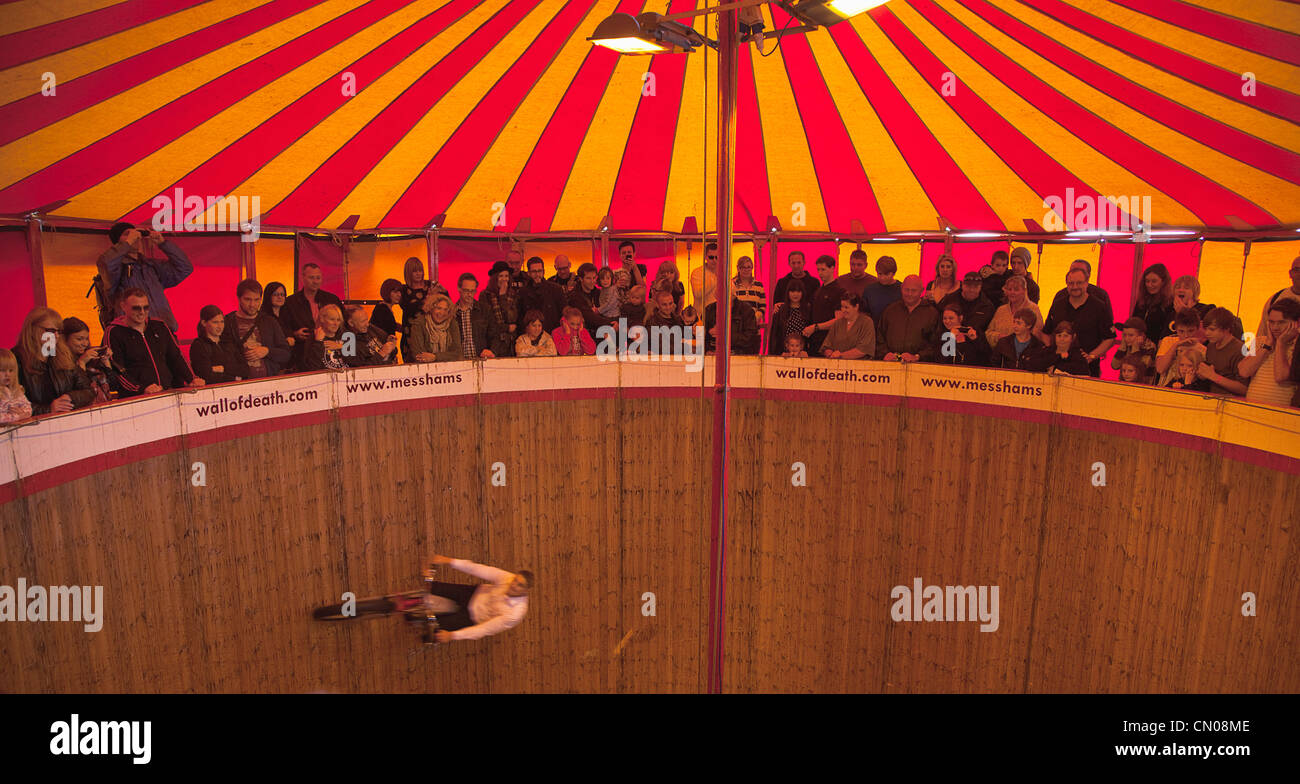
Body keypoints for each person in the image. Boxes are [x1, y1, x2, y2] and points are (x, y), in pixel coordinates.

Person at [96, 222, 193, 333]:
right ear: (117, 243)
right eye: (127, 234)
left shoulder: (150, 266)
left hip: (164, 330)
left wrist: (162, 243)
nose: (135, 236)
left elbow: (185, 268)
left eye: (136, 233)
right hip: (134, 334)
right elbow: (104, 263)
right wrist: (128, 243)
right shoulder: (115, 270)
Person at [107, 288, 203, 395]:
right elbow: (116, 370)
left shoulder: (159, 326)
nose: (142, 312)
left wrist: (192, 378)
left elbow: (176, 357)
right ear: (123, 306)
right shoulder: (114, 332)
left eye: (146, 308)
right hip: (136, 399)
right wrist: (141, 389)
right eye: (136, 308)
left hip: (167, 391)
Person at [423, 555, 531, 643]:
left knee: (433, 632)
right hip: (472, 594)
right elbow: (479, 569)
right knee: (431, 586)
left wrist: (452, 635)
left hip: (471, 617)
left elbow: (485, 629)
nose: (514, 585)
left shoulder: (515, 614)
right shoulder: (508, 578)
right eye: (515, 580)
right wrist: (449, 561)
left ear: (526, 590)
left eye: (520, 585)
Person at [12, 307, 96, 415]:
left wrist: (71, 398)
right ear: (32, 330)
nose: (56, 336)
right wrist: (48, 409)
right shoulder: (15, 359)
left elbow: (89, 391)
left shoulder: (64, 356)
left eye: (59, 331)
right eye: (51, 331)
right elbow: (9, 405)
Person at [1043, 267, 1115, 376]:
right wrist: (1053, 352)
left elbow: (1110, 338)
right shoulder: (1057, 305)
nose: (1075, 287)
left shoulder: (1099, 307)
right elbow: (1045, 333)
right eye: (1071, 283)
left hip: (1089, 369)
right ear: (1066, 284)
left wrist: (1092, 356)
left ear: (1087, 283)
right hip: (1058, 368)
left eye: (1079, 283)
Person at [223, 279, 292, 377]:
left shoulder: (269, 321)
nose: (252, 305)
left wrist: (267, 351)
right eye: (247, 299)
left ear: (261, 299)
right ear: (239, 298)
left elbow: (286, 354)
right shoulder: (227, 322)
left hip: (268, 380)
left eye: (256, 300)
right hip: (239, 382)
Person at [1240, 298, 1299, 407]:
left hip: (1280, 414)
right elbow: (1244, 372)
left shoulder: (1297, 347)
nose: (1275, 328)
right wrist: (1267, 345)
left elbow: (1281, 376)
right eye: (1271, 322)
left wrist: (1281, 343)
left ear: (1296, 323)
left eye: (1281, 323)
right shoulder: (1259, 342)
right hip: (1250, 409)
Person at [284, 263, 344, 369]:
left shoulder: (332, 299)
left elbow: (344, 324)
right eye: (311, 277)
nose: (315, 281)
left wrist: (342, 345)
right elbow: (283, 326)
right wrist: (294, 334)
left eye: (318, 278)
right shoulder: (290, 302)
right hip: (302, 351)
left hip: (331, 349)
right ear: (302, 278)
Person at [877, 275, 940, 361]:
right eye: (906, 290)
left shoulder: (932, 314)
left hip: (919, 367)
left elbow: (935, 344)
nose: (909, 294)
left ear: (922, 291)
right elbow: (879, 336)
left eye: (914, 291)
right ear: (901, 288)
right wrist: (885, 353)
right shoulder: (890, 310)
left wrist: (918, 357)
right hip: (890, 365)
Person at [62, 316, 117, 403]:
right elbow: (78, 390)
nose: (85, 343)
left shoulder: (92, 357)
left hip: (104, 405)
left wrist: (106, 362)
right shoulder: (61, 362)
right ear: (65, 339)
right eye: (79, 339)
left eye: (87, 339)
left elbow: (114, 385)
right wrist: (82, 362)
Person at [938, 271, 997, 347]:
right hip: (949, 343)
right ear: (962, 285)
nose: (971, 290)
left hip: (975, 346)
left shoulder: (987, 306)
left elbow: (988, 331)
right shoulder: (949, 300)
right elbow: (939, 325)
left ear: (980, 287)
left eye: (975, 287)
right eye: (968, 286)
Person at [1198, 307, 1247, 396]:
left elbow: (1244, 388)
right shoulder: (1211, 346)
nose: (1207, 333)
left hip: (1232, 402)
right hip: (1211, 398)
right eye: (1206, 329)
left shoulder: (1239, 350)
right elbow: (1210, 374)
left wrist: (1214, 376)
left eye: (1212, 329)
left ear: (1226, 329)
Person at [189, 305, 242, 384]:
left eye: (222, 322)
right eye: (215, 322)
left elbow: (244, 369)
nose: (220, 326)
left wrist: (223, 368)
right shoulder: (198, 345)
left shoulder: (228, 342)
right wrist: (234, 377)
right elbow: (206, 375)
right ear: (204, 323)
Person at [985, 275, 1042, 348]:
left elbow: (1038, 335)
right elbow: (988, 332)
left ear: (1024, 291)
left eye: (1016, 289)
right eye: (1009, 289)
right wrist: (998, 337)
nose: (1012, 292)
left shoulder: (1033, 309)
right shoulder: (1001, 310)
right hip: (1001, 353)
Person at [803, 255, 844, 355]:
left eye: (823, 269)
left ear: (832, 268)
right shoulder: (818, 291)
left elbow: (839, 320)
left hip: (829, 341)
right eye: (818, 270)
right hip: (814, 340)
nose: (820, 273)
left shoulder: (839, 291)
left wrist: (816, 327)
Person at [1255, 255, 1300, 341]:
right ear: (1290, 274)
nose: (1299, 274)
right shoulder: (1275, 299)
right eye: (1297, 270)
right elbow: (1262, 333)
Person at [1154, 309, 1204, 385]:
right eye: (1181, 331)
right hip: (1164, 388)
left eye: (1190, 331)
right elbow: (1160, 369)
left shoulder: (1202, 350)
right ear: (1176, 329)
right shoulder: (1168, 341)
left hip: (1188, 390)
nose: (1186, 335)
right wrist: (1175, 345)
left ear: (1197, 329)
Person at [481, 261, 520, 358]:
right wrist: (506, 328)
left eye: (506, 276)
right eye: (501, 276)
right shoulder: (486, 295)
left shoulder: (513, 294)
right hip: (493, 342)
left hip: (511, 343)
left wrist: (502, 297)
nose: (504, 279)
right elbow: (488, 321)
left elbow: (512, 318)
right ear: (495, 278)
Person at [518, 257, 567, 332]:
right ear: (529, 273)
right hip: (530, 336)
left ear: (544, 271)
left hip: (552, 333)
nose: (537, 274)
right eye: (534, 271)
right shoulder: (523, 292)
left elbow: (563, 313)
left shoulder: (555, 289)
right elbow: (521, 316)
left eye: (539, 271)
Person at [409, 294, 462, 363]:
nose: (442, 313)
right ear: (431, 308)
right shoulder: (419, 324)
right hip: (423, 369)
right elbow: (418, 354)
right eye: (439, 308)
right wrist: (445, 356)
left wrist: (435, 357)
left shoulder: (452, 323)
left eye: (445, 310)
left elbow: (457, 353)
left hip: (448, 368)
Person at [819, 294, 875, 360]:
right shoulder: (838, 323)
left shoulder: (866, 322)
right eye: (842, 307)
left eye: (846, 307)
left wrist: (841, 355)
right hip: (837, 366)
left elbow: (864, 349)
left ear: (856, 307)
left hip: (859, 366)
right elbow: (827, 346)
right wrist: (830, 354)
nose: (843, 310)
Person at [1132, 263, 1175, 343]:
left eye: (1154, 281)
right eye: (1147, 281)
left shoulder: (1170, 303)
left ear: (1163, 282)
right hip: (1137, 345)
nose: (1149, 285)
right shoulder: (1142, 300)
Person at [452, 273, 491, 359]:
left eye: (472, 291)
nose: (469, 294)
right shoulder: (452, 312)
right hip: (459, 360)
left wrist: (491, 350)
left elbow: (494, 333)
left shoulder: (484, 309)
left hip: (481, 358)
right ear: (459, 289)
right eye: (466, 291)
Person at [568, 263, 613, 334]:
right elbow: (589, 317)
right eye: (588, 278)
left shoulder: (598, 292)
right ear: (581, 279)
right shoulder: (575, 296)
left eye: (594, 278)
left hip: (602, 330)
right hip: (585, 334)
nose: (592, 281)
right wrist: (611, 323)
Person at [301, 304, 348, 371]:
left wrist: (342, 347)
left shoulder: (345, 336)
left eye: (338, 320)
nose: (336, 323)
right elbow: (311, 367)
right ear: (322, 319)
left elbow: (357, 361)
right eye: (332, 319)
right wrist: (318, 342)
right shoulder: (313, 338)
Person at [1109, 317, 1157, 383]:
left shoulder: (1150, 346)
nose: (1127, 338)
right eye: (1124, 335)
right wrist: (1122, 346)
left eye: (1131, 335)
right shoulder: (1127, 345)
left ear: (1142, 335)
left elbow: (1140, 369)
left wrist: (1135, 347)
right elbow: (1115, 365)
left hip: (1144, 386)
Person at [768, 285, 812, 355]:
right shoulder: (780, 309)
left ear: (802, 293)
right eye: (792, 291)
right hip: (784, 353)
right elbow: (774, 335)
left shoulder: (808, 309)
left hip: (803, 353)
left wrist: (808, 352)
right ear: (788, 293)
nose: (795, 294)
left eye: (798, 291)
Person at [863, 256, 902, 323]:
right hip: (874, 330)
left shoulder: (902, 289)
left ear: (894, 273)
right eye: (879, 274)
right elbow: (864, 313)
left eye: (886, 274)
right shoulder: (870, 290)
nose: (882, 277)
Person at [0, 348, 33, 423]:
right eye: (2, 370)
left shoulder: (17, 391)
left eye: (11, 370)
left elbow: (28, 408)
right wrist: (17, 417)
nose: (7, 374)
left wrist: (22, 412)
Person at [259, 281, 294, 351]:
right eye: (275, 294)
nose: (279, 297)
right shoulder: (264, 317)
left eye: (282, 294)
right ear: (268, 296)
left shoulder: (287, 315)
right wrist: (286, 342)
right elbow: (267, 341)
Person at [732, 255, 766, 326]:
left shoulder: (759, 285)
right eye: (743, 267)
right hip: (736, 326)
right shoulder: (731, 284)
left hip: (754, 326)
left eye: (748, 267)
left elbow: (763, 306)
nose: (746, 270)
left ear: (752, 268)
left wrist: (756, 317)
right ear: (738, 268)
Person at [690, 243, 719, 311]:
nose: (714, 260)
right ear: (705, 257)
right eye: (711, 257)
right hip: (702, 314)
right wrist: (714, 279)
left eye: (717, 257)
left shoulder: (724, 272)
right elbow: (698, 294)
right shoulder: (697, 273)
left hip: (718, 314)